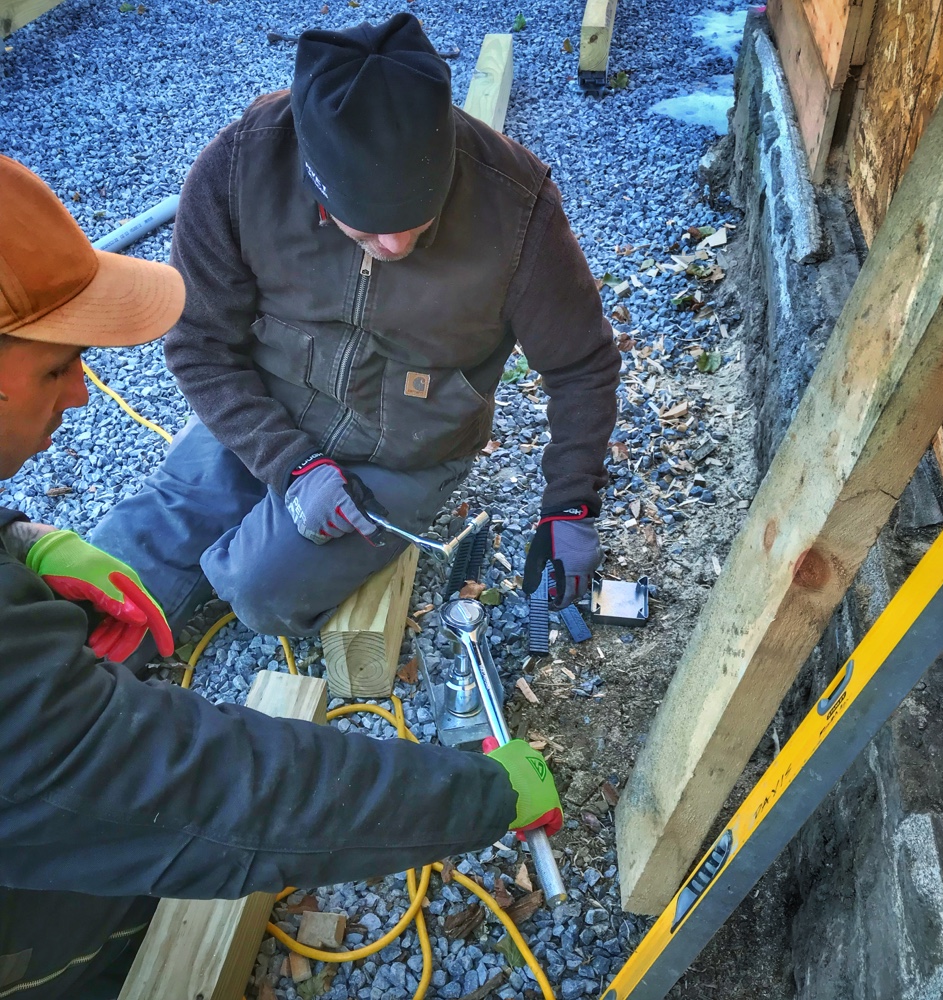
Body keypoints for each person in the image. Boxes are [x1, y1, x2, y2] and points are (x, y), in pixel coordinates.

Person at [0, 154, 562, 1000]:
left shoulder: (509, 203)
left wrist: (20, 539)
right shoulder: (245, 170)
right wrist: (478, 798)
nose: (81, 396)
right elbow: (222, 792)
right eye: (56, 368)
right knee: (83, 884)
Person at [89, 12, 620, 655]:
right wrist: (290, 464)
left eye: (416, 221)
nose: (394, 243)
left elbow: (580, 364)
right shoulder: (239, 168)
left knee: (260, 591)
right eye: (366, 227)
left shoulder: (517, 206)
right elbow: (198, 344)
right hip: (266, 409)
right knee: (115, 569)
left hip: (406, 449)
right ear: (315, 180)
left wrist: (570, 505)